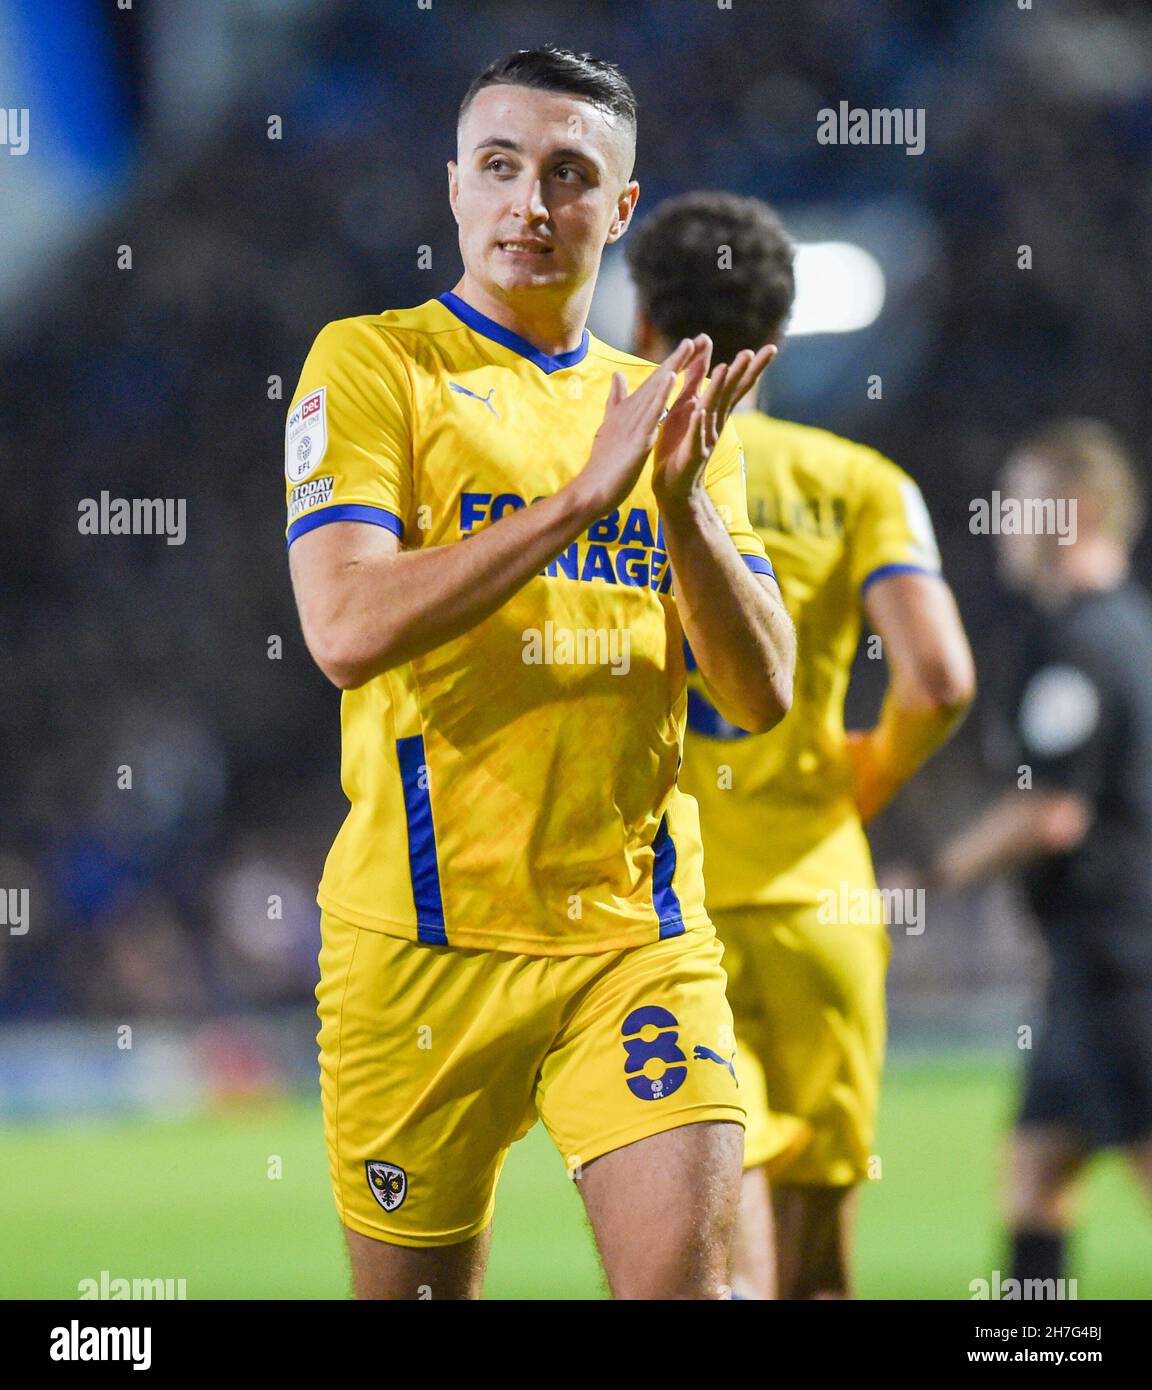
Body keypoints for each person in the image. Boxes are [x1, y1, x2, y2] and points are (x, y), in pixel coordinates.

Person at [284, 51, 795, 1299]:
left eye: (569, 176)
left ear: (619, 210)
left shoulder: (668, 407)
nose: (529, 204)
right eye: (501, 168)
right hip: (420, 946)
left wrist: (679, 508)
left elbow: (760, 689)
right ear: (453, 187)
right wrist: (578, 502)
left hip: (635, 935)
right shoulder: (372, 366)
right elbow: (344, 626)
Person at [628, 191, 976, 1298]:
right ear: (778, 339)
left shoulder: (603, 487)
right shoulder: (863, 484)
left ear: (644, 328)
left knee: (706, 1236)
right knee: (820, 1258)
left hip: (662, 910)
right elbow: (941, 677)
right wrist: (864, 773)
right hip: (821, 897)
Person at [927, 419, 1152, 1290]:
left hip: (1120, 964)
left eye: (1020, 503)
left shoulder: (1081, 643)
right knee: (1036, 1172)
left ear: (1076, 513)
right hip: (1092, 964)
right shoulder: (1131, 627)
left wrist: (934, 874)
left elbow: (1052, 811)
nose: (1004, 520)